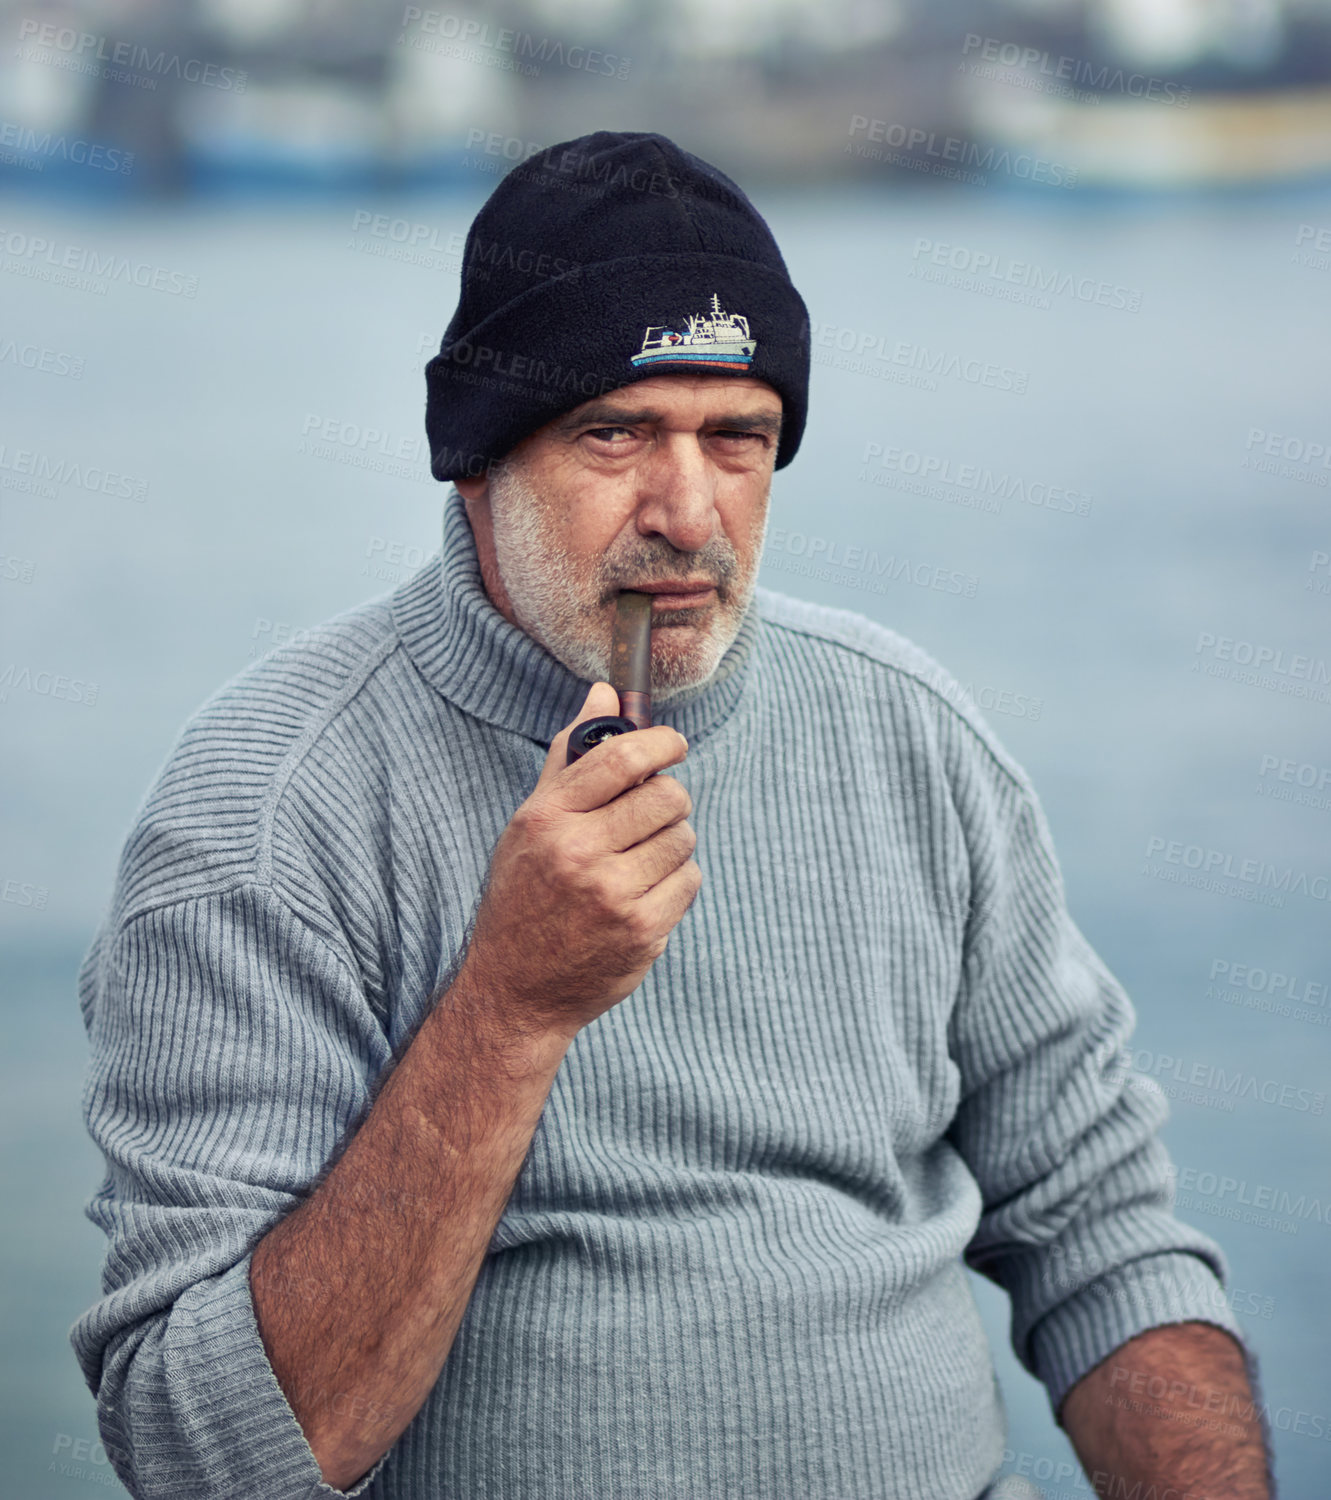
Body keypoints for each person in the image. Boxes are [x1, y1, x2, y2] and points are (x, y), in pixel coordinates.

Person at [71, 130, 1274, 1500]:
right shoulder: (269, 805)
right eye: (618, 431)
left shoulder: (910, 735)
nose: (690, 514)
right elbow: (202, 1457)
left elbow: (1101, 1232)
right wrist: (513, 1006)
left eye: (738, 437)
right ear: (473, 459)